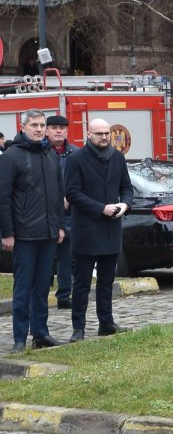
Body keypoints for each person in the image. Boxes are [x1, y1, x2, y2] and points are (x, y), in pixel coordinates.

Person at [0, 110, 67, 352]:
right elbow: (3, 197)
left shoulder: (50, 155)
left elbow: (58, 194)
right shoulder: (11, 156)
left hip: (48, 234)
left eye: (41, 125)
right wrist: (7, 233)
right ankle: (20, 337)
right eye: (34, 125)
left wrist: (60, 226)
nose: (39, 129)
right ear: (23, 127)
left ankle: (41, 333)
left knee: (42, 288)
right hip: (24, 235)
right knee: (23, 288)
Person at [63, 118, 134, 342]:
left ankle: (106, 323)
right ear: (89, 134)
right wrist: (100, 208)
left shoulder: (117, 157)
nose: (104, 137)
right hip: (86, 230)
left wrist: (125, 204)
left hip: (111, 228)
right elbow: (72, 192)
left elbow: (126, 187)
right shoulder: (76, 159)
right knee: (82, 284)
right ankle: (78, 328)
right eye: (99, 133)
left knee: (106, 282)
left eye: (106, 133)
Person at [46, 114, 78, 310]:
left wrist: (70, 198)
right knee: (44, 256)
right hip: (43, 213)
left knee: (66, 257)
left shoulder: (76, 153)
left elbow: (82, 182)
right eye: (54, 128)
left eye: (62, 128)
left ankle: (64, 295)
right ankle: (40, 293)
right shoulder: (40, 151)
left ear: (67, 131)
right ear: (47, 130)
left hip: (68, 214)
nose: (58, 131)